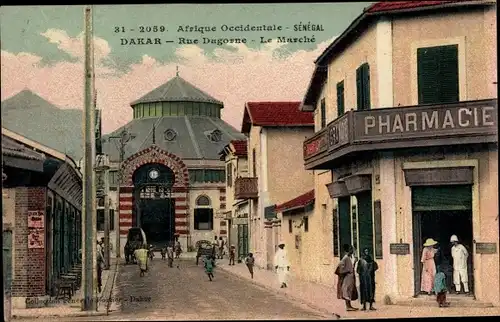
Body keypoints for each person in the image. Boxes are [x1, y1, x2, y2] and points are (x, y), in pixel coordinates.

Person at [335, 244, 358, 311]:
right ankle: (348, 306)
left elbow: (350, 267)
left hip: (350, 277)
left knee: (349, 291)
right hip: (347, 278)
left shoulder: (349, 257)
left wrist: (354, 263)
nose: (352, 250)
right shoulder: (345, 258)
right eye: (351, 249)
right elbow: (340, 268)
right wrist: (347, 271)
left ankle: (349, 306)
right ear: (348, 250)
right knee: (346, 291)